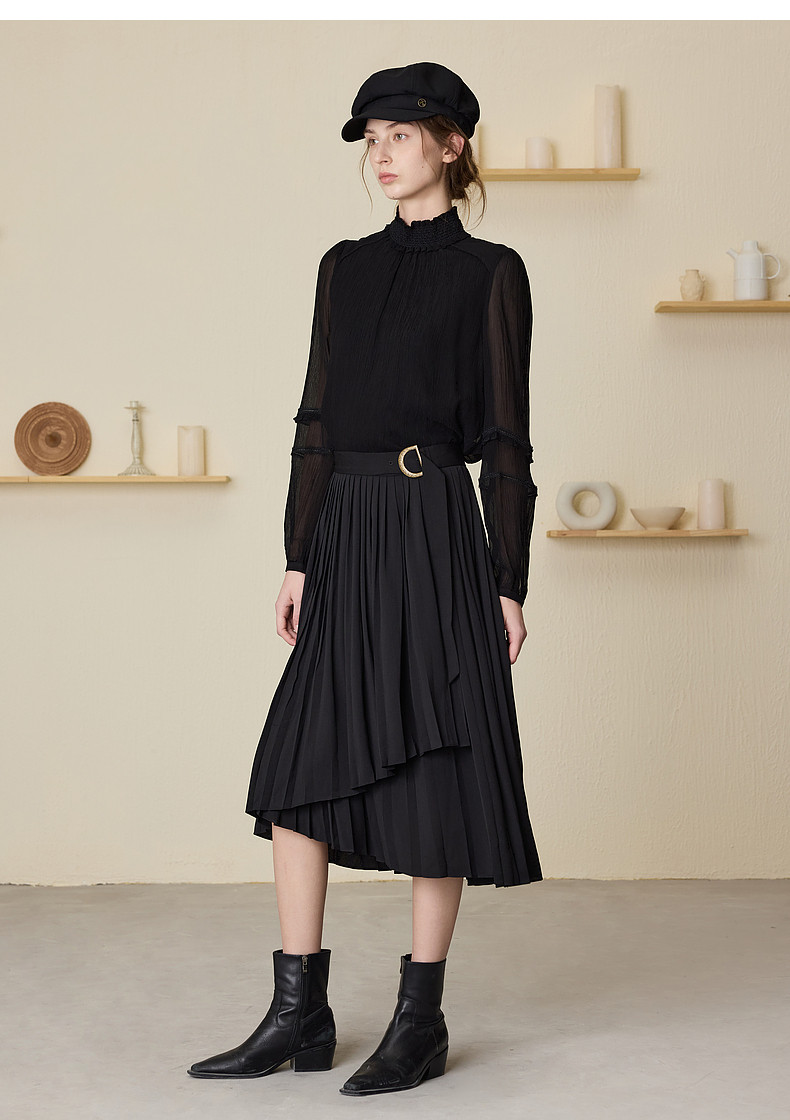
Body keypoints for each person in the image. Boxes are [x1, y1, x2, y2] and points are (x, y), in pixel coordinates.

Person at [188, 60, 542, 1096]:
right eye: (370, 140)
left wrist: (508, 578)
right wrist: (297, 554)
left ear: (452, 145)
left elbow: (507, 438)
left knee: (437, 765)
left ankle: (418, 1021)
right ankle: (298, 1012)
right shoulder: (341, 268)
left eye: (401, 135)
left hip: (435, 528)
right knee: (300, 766)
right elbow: (316, 419)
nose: (381, 155)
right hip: (344, 526)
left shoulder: (492, 273)